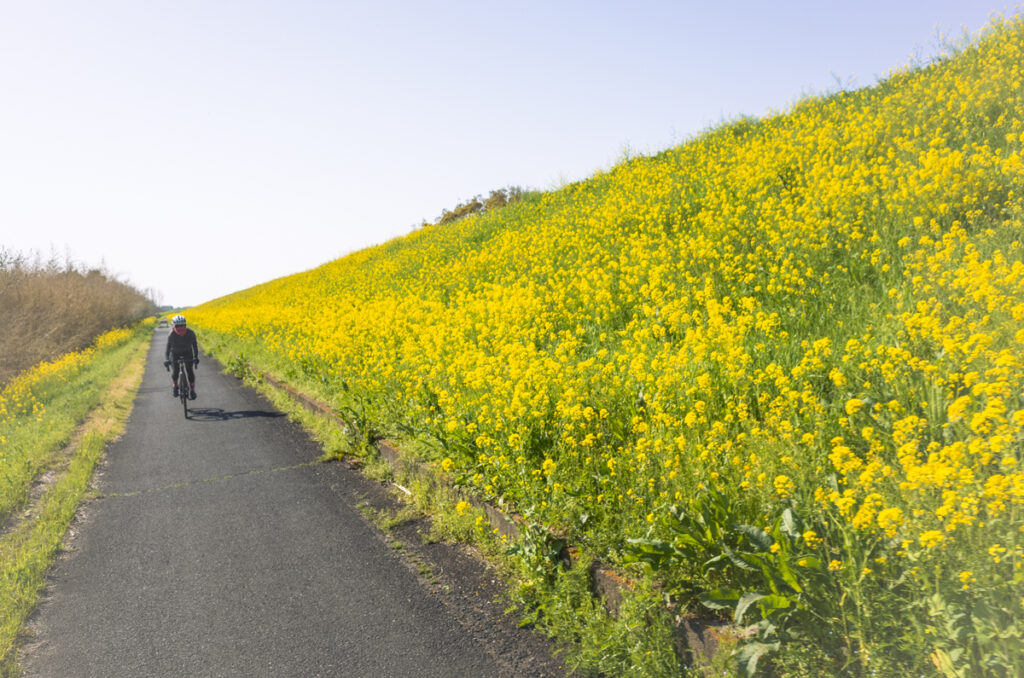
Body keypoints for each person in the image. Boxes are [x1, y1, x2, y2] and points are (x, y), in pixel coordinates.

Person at [164, 314, 199, 399]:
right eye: (178, 326)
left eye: (182, 325)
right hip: (175, 354)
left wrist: (196, 357)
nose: (180, 328)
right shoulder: (171, 335)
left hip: (188, 353)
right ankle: (175, 386)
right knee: (175, 371)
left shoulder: (191, 333)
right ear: (173, 326)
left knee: (189, 370)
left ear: (185, 325)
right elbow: (167, 349)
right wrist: (167, 359)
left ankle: (192, 390)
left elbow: (195, 346)